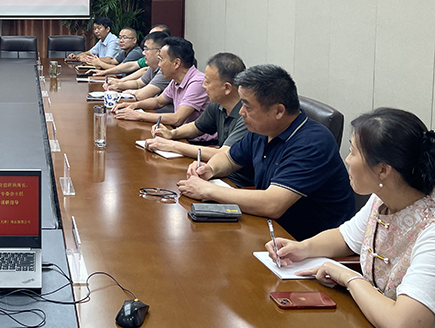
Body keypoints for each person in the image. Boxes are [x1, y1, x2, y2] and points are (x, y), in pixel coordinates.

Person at [266, 108, 435, 328]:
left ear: (383, 170)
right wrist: (302, 248)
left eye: (353, 152)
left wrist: (348, 277)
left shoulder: (431, 230)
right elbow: (346, 237)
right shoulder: (383, 197)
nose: (347, 160)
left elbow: (404, 327)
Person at [178, 64, 354, 240]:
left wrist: (208, 190)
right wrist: (210, 169)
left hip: (307, 243)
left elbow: (273, 204)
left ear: (278, 111)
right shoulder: (262, 130)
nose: (241, 112)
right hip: (270, 229)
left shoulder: (313, 142)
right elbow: (229, 158)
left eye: (247, 106)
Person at [145, 52, 252, 186]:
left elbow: (225, 154)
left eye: (208, 82)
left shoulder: (248, 115)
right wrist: (172, 134)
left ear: (227, 88)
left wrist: (172, 145)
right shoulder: (218, 104)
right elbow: (196, 127)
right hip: (219, 174)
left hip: (240, 184)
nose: (203, 86)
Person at [112, 37, 210, 128]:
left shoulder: (197, 82)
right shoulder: (176, 80)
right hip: (180, 133)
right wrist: (134, 105)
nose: (159, 65)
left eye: (161, 60)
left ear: (176, 63)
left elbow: (177, 119)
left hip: (195, 140)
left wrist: (138, 115)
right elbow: (159, 102)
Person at [105, 31, 171, 101]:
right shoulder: (153, 67)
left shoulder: (165, 69)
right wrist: (117, 85)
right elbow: (138, 83)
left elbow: (142, 95)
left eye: (146, 49)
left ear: (159, 51)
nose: (143, 53)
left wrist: (125, 90)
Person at [92, 24, 170, 78]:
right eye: (120, 37)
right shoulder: (148, 64)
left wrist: (99, 63)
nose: (121, 40)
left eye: (125, 37)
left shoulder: (166, 67)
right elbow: (129, 66)